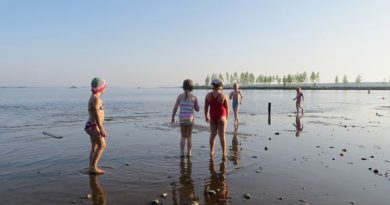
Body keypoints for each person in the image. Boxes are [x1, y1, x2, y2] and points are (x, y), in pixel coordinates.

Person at [171, 79, 200, 157]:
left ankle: (181, 153)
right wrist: (195, 105)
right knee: (189, 137)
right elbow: (197, 109)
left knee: (183, 136)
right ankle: (189, 153)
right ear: (191, 87)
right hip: (190, 119)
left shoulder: (180, 96)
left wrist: (172, 117)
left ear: (183, 87)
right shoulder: (194, 97)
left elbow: (175, 108)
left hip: (182, 119)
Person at [85, 77, 107, 174]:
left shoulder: (94, 97)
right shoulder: (96, 99)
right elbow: (97, 114)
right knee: (102, 145)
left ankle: (91, 166)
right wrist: (101, 128)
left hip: (91, 125)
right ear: (101, 88)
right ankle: (93, 167)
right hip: (94, 126)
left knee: (94, 146)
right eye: (105, 87)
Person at [204, 79, 229, 158]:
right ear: (220, 85)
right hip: (222, 116)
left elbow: (205, 107)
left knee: (213, 135)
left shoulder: (208, 95)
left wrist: (206, 116)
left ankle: (211, 152)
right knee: (222, 136)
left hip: (213, 116)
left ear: (212, 85)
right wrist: (227, 116)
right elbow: (227, 107)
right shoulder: (223, 95)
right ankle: (224, 153)